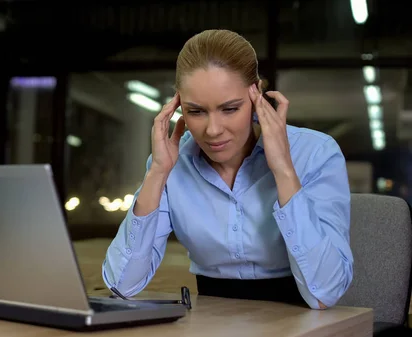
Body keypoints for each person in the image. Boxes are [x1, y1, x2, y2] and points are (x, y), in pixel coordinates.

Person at [102, 29, 353, 310]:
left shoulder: (315, 153)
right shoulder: (171, 163)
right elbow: (120, 285)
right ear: (178, 106)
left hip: (302, 319)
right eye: (195, 111)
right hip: (211, 321)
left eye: (230, 109)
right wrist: (158, 173)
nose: (213, 130)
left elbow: (326, 293)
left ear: (256, 95)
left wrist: (283, 170)